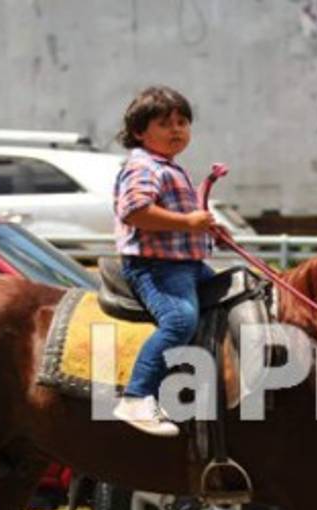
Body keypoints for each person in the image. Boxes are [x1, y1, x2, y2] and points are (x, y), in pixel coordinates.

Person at [111, 85, 218, 436]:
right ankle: (137, 395)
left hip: (184, 264)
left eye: (183, 122)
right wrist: (189, 222)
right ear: (140, 132)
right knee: (179, 319)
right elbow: (136, 211)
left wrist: (205, 229)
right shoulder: (144, 166)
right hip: (155, 267)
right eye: (165, 123)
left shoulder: (169, 167)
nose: (177, 130)